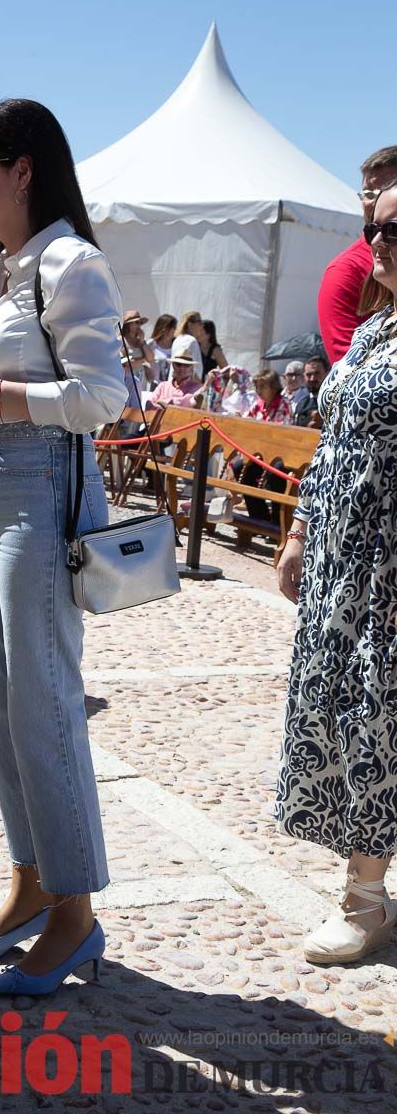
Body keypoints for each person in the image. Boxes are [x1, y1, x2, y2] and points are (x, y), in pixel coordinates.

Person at [0, 98, 127, 997]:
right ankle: (31, 885)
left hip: (40, 492)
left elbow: (103, 399)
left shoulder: (70, 263)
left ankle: (75, 911)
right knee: (0, 709)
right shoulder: (5, 271)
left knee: (42, 702)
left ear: (24, 169)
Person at [275, 183, 397, 965]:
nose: (375, 240)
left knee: (377, 726)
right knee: (343, 716)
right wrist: (296, 530)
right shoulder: (376, 328)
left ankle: (364, 897)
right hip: (340, 566)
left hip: (386, 570)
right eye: (371, 227)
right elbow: (333, 439)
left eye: (393, 228)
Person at [318, 146, 397, 363]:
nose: (373, 201)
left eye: (386, 189)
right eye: (368, 193)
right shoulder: (345, 271)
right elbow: (349, 377)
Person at [120, 310, 154, 393]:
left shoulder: (140, 341)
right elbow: (122, 362)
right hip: (126, 382)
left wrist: (142, 342)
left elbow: (151, 358)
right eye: (136, 322)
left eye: (140, 323)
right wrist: (142, 361)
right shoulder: (121, 340)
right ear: (128, 325)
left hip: (140, 381)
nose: (139, 325)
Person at [292, 356, 328, 428]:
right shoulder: (302, 404)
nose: (312, 378)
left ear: (327, 374)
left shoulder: (335, 403)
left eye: (317, 373)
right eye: (309, 375)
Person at [147, 313, 177, 382]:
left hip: (172, 385)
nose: (175, 330)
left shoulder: (176, 344)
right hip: (155, 385)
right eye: (174, 328)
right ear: (166, 328)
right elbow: (145, 362)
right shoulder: (151, 344)